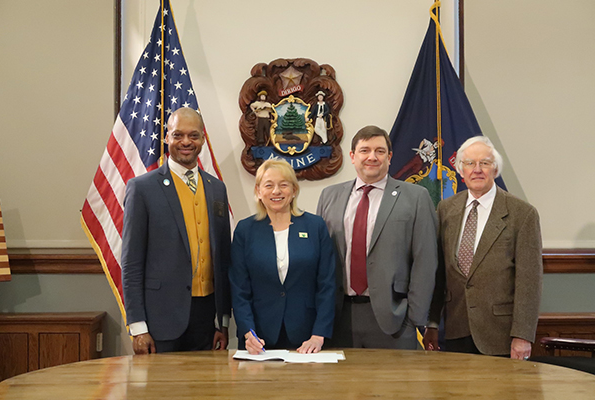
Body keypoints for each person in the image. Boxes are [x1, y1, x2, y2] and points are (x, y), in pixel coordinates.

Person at [122, 107, 231, 354]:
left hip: (206, 319)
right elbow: (131, 263)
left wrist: (223, 321)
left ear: (203, 139)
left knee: (206, 391)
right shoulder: (142, 189)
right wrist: (138, 327)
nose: (186, 142)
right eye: (178, 135)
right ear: (166, 137)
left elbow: (223, 260)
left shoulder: (217, 189)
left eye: (193, 136)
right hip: (160, 320)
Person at [317, 125, 438, 349]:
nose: (372, 157)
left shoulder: (416, 197)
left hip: (395, 320)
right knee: (341, 385)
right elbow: (319, 258)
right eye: (364, 150)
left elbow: (426, 260)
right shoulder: (329, 196)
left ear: (389, 157)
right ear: (353, 156)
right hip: (337, 317)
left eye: (380, 151)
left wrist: (414, 319)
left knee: (394, 385)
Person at [423, 136, 542, 359]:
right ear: (460, 169)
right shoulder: (446, 209)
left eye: (485, 163)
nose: (477, 169)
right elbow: (439, 273)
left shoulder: (522, 214)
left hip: (501, 336)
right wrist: (432, 323)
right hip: (456, 330)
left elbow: (529, 281)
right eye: (469, 163)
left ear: (495, 169)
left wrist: (523, 336)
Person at [230, 159, 335, 354]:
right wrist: (248, 332)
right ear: (258, 192)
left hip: (308, 339)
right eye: (268, 185)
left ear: (294, 190)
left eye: (283, 185)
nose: (276, 191)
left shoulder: (315, 226)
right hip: (258, 339)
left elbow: (327, 285)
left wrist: (319, 334)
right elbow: (239, 289)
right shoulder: (245, 230)